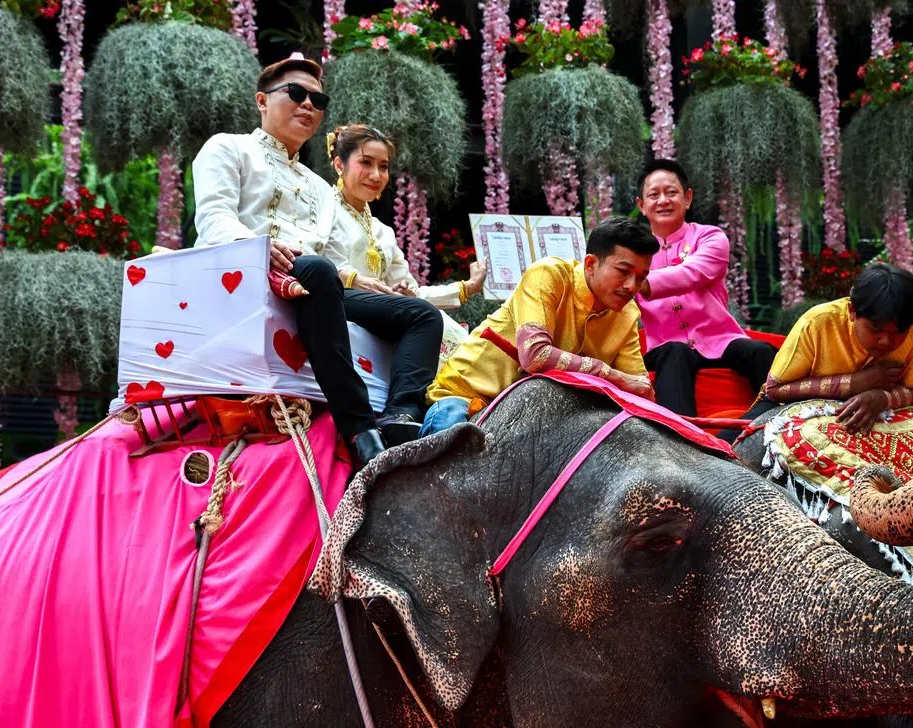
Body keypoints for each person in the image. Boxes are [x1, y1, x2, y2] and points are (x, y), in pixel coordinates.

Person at [191, 54, 428, 470]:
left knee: (421, 316)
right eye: (296, 94)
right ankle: (359, 429)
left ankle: (399, 416)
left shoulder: (320, 187)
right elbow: (213, 219)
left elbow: (320, 252)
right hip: (243, 274)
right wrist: (258, 246)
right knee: (317, 271)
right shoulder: (229, 148)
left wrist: (352, 278)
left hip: (312, 285)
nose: (308, 105)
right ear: (262, 101)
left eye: (318, 101)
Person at [420, 217, 659, 436]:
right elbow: (535, 355)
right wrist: (609, 374)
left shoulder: (627, 314)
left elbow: (639, 390)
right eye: (623, 271)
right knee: (452, 439)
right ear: (590, 264)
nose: (631, 286)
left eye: (641, 277)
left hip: (536, 418)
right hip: (465, 397)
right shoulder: (549, 274)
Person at [323, 123, 486, 370]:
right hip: (341, 316)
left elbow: (413, 293)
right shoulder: (323, 210)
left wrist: (466, 287)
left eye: (384, 166)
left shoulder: (383, 231)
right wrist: (357, 281)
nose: (376, 175)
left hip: (388, 316)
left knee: (462, 338)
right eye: (366, 162)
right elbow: (318, 266)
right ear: (339, 165)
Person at [634, 159, 777, 417]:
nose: (663, 200)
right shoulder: (634, 251)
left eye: (672, 192)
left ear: (687, 198)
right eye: (654, 195)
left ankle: (781, 417)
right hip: (666, 346)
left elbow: (694, 273)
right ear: (642, 206)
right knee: (674, 353)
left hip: (719, 340)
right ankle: (679, 438)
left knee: (758, 350)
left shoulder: (710, 237)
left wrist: (638, 281)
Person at [753, 261, 913, 434]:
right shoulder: (818, 322)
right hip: (788, 407)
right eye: (875, 329)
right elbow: (775, 389)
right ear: (852, 311)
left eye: (900, 331)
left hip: (881, 410)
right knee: (730, 451)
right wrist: (853, 384)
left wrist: (882, 398)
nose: (886, 341)